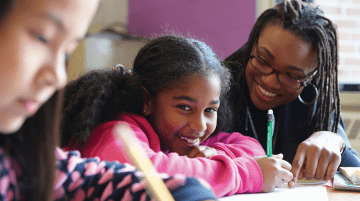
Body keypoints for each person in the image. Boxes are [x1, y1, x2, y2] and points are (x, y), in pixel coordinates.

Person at [0, 0, 218, 200]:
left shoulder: (18, 158)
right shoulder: (115, 129)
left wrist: (187, 191)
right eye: (42, 37)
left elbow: (78, 179)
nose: (58, 77)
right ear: (147, 99)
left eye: (67, 53)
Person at [61, 35, 293, 197]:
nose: (200, 125)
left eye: (210, 110)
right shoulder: (115, 129)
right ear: (147, 101)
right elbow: (149, 173)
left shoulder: (181, 135)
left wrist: (214, 154)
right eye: (184, 107)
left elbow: (252, 148)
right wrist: (246, 174)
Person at [224, 0, 360, 188]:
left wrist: (334, 140)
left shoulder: (314, 96)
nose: (270, 81)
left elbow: (354, 176)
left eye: (292, 75)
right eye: (263, 60)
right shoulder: (218, 88)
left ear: (312, 76)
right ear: (253, 44)